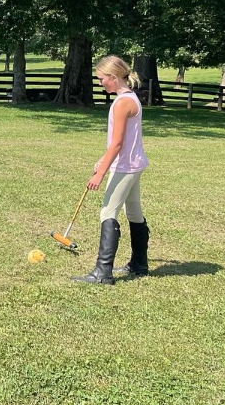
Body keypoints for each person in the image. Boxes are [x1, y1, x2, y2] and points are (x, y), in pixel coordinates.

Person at [73, 56, 150, 285]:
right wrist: (103, 159)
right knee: (134, 213)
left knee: (108, 213)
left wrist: (100, 174)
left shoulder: (122, 103)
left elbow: (117, 144)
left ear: (114, 78)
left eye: (102, 79)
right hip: (132, 164)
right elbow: (121, 142)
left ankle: (102, 273)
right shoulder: (129, 98)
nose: (100, 83)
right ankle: (139, 264)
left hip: (126, 167)